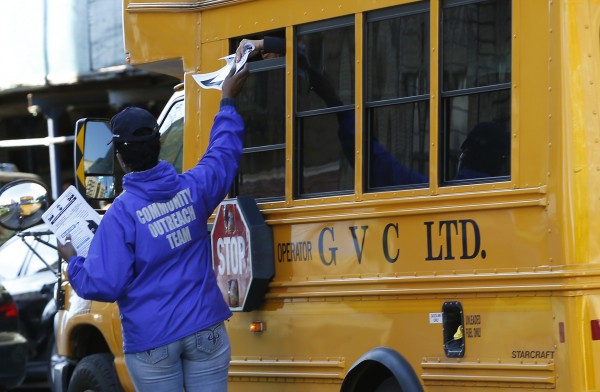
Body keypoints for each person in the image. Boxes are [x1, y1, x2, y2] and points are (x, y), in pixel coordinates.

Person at [57, 64, 249, 391]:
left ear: (119, 157)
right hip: (206, 328)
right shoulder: (194, 189)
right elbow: (223, 156)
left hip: (151, 342)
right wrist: (227, 100)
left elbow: (105, 284)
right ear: (158, 145)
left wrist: (73, 261)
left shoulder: (121, 215)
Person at [235, 37, 509, 186]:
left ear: (463, 156)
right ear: (502, 164)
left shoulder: (439, 193)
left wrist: (336, 104)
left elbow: (376, 164)